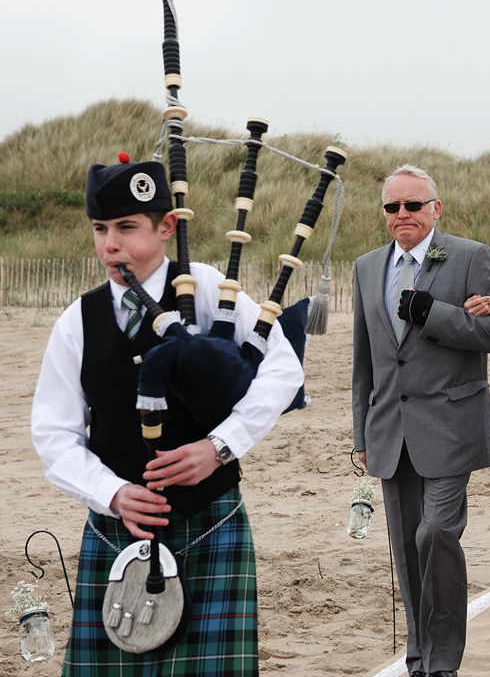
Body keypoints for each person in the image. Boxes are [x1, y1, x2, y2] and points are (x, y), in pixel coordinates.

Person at [31, 157, 303, 675]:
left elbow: (282, 370)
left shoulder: (206, 290)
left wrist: (220, 446)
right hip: (118, 531)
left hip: (211, 518)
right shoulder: (78, 322)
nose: (110, 244)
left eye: (127, 228)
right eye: (100, 229)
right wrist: (111, 493)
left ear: (167, 227)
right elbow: (54, 433)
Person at [351, 164, 490, 677]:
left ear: (435, 209)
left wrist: (434, 312)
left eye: (413, 205)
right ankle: (420, 659)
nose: (402, 214)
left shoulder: (470, 257)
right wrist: (360, 433)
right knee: (406, 550)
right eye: (392, 207)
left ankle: (442, 662)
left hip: (451, 428)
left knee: (435, 534)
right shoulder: (365, 266)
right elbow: (364, 363)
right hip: (390, 434)